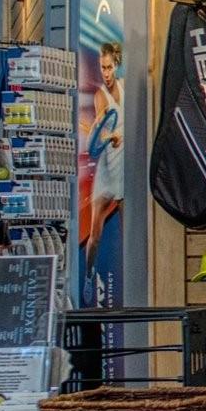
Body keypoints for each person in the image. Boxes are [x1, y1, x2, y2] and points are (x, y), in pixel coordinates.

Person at [83, 40, 124, 304]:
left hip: (125, 165)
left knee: (125, 226)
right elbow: (101, 127)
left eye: (108, 67)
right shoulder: (101, 95)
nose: (105, 72)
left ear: (116, 65)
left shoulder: (125, 86)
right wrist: (107, 134)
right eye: (102, 67)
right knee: (95, 234)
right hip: (108, 167)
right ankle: (88, 276)